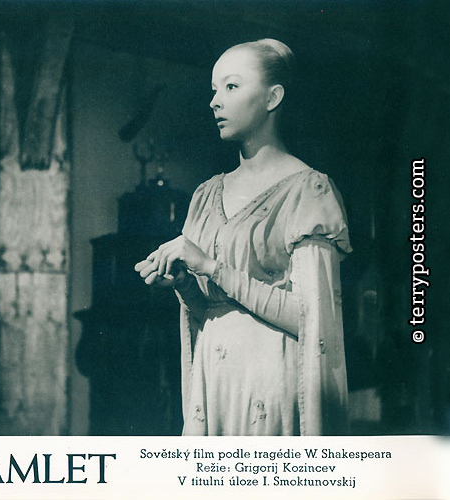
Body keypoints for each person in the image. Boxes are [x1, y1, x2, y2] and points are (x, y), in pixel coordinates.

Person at [134, 39, 352, 436]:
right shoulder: (206, 195)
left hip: (269, 385)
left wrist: (211, 266)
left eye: (231, 86)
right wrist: (185, 283)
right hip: (214, 384)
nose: (215, 101)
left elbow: (313, 321)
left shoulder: (308, 191)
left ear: (273, 98)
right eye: (214, 90)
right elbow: (213, 312)